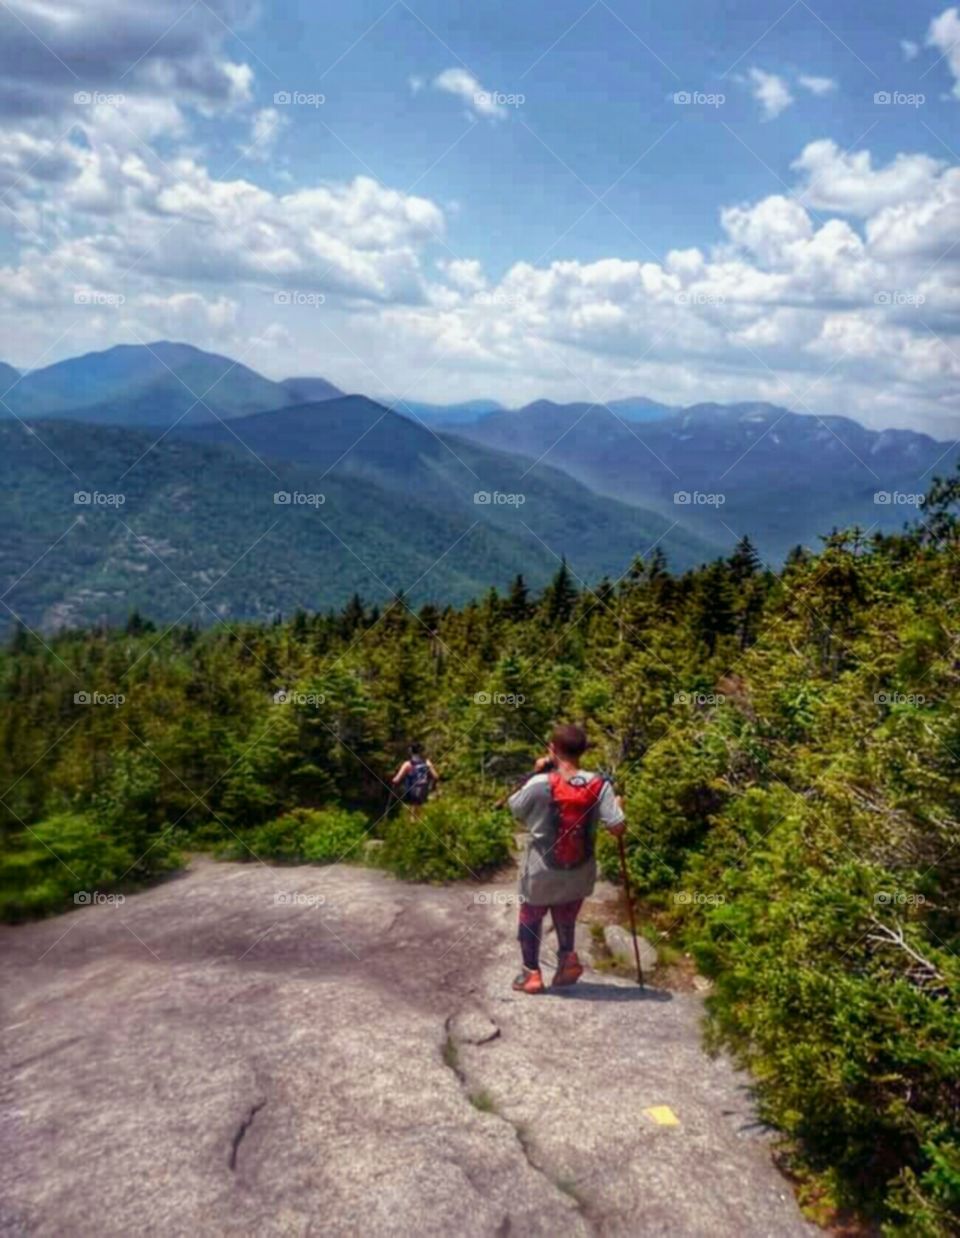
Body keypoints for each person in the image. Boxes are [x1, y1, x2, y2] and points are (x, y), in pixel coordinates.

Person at [507, 723, 625, 994]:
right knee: (566, 913)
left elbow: (515, 807)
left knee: (530, 915)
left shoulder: (539, 783)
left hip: (541, 868)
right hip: (580, 870)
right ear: (583, 751)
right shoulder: (599, 785)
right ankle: (566, 961)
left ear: (552, 749)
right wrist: (618, 808)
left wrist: (538, 772)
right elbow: (616, 827)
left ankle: (531, 975)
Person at [391, 742, 439, 815]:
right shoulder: (427, 762)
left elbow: (396, 780)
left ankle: (412, 824)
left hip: (412, 791)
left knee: (413, 811)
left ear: (411, 752)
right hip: (424, 790)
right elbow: (435, 776)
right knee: (421, 811)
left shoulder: (408, 764)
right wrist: (432, 787)